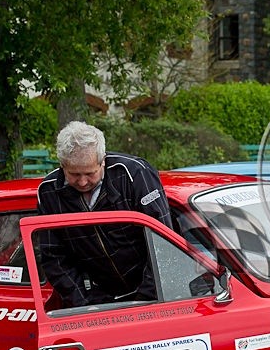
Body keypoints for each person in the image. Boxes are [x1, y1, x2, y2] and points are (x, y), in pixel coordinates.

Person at [37, 121, 171, 308]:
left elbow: (163, 241)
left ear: (103, 161)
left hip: (154, 295)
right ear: (62, 166)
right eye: (74, 174)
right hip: (97, 301)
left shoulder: (134, 174)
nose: (83, 182)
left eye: (90, 173)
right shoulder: (49, 192)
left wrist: (146, 299)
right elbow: (54, 257)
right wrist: (85, 303)